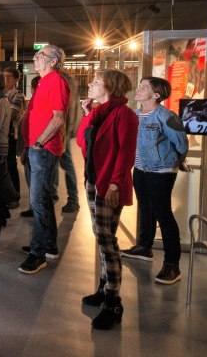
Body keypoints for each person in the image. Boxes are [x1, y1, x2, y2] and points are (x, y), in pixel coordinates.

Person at [76, 69, 138, 330]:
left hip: (108, 184)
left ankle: (113, 301)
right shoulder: (99, 113)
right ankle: (104, 287)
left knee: (106, 241)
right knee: (102, 236)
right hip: (94, 181)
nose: (91, 85)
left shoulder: (124, 114)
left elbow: (126, 152)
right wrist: (87, 114)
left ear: (110, 87)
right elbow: (82, 143)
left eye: (96, 82)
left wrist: (115, 183)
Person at [122, 77, 188, 285]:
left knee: (163, 214)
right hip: (140, 168)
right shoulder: (135, 115)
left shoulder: (166, 117)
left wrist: (177, 161)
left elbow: (181, 143)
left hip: (161, 171)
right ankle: (144, 247)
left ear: (156, 95)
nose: (138, 89)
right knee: (145, 208)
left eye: (144, 87)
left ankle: (172, 264)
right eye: (140, 86)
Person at [18, 45, 70, 275]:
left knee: (38, 200)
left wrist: (39, 142)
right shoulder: (43, 82)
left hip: (44, 149)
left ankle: (38, 253)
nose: (35, 58)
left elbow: (58, 118)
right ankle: (48, 245)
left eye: (41, 55)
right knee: (43, 199)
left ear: (53, 61)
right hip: (35, 147)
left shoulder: (56, 81)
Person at [0, 74, 19, 207]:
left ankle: (12, 199)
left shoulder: (0, 102)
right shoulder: (0, 100)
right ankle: (11, 199)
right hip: (0, 144)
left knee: (0, 175)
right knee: (1, 175)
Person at [53, 70, 81, 212]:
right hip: (62, 130)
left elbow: (67, 109)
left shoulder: (63, 81)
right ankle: (54, 194)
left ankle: (73, 199)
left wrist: (65, 132)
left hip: (61, 131)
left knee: (65, 163)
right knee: (56, 162)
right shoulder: (66, 80)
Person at [3, 67, 25, 208]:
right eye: (4, 76)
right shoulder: (1, 93)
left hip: (11, 135)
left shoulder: (18, 95)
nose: (5, 79)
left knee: (11, 165)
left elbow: (11, 114)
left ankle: (15, 196)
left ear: (16, 79)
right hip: (1, 135)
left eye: (9, 77)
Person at [18, 75, 40, 218]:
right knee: (33, 181)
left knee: (34, 182)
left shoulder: (38, 101)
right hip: (30, 146)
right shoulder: (35, 100)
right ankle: (33, 207)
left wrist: (26, 147)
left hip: (33, 146)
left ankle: (35, 209)